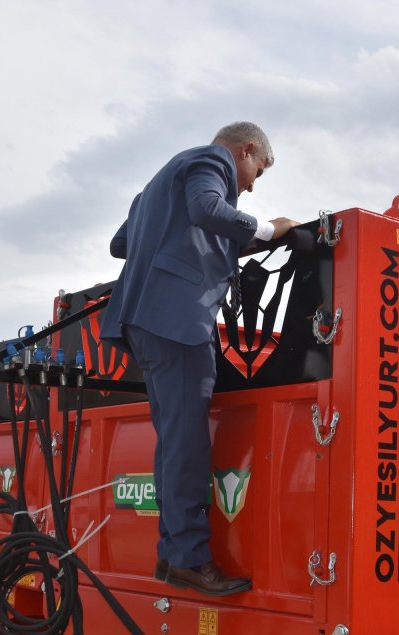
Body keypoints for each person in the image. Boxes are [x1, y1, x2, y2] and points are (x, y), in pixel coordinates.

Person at [101, 121, 298, 596]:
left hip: (142, 323)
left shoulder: (157, 186)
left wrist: (238, 242)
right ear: (246, 150)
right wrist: (273, 229)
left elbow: (121, 245)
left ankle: (173, 557)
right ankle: (189, 557)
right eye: (257, 172)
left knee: (173, 442)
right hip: (177, 321)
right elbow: (208, 209)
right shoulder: (210, 161)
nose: (250, 185)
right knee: (187, 443)